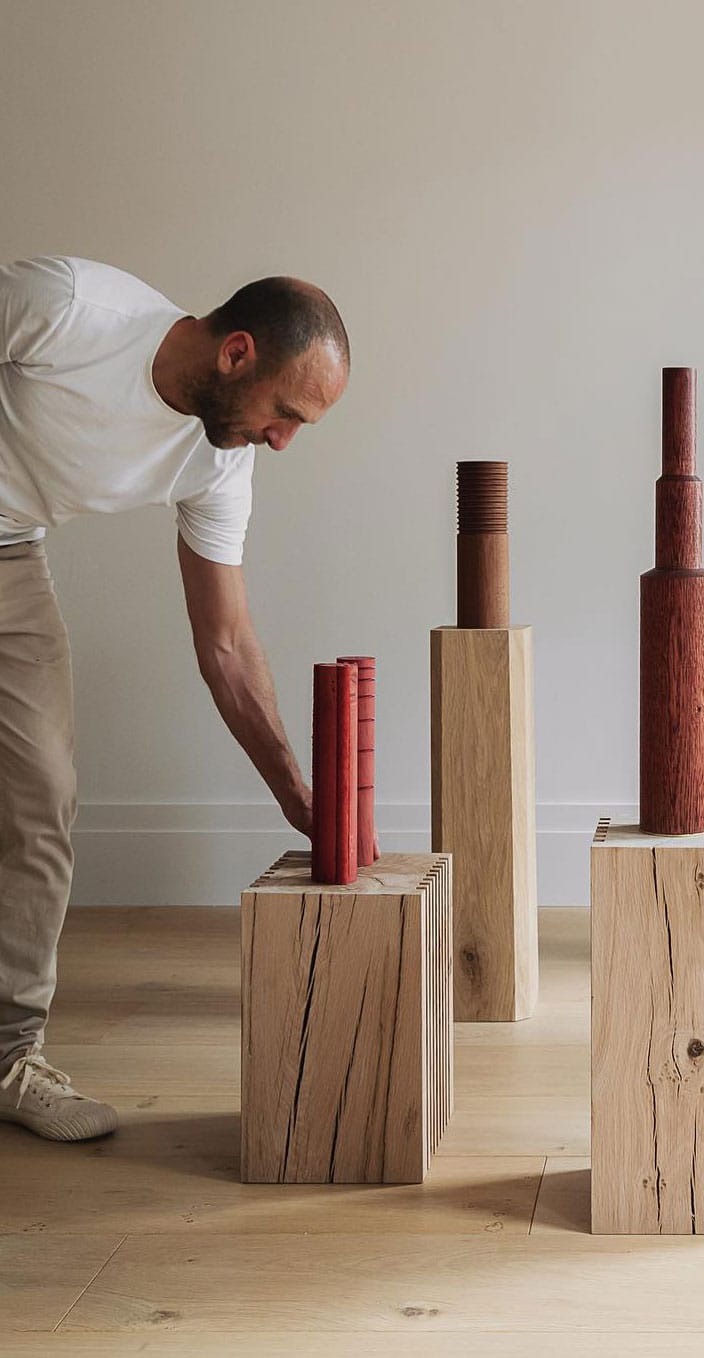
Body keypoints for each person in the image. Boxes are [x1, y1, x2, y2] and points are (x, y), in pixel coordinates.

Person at [0, 256, 348, 1140]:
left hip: (5, 552)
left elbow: (226, 645)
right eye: (286, 415)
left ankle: (8, 1059)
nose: (282, 442)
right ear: (237, 352)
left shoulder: (217, 464)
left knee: (40, 795)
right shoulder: (69, 307)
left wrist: (297, 798)